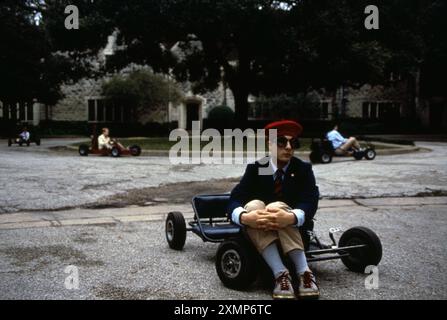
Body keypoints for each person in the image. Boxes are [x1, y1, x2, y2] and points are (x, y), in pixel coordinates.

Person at [228, 120, 320, 300]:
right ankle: (281, 274)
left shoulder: (302, 169)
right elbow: (235, 198)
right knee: (254, 205)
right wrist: (245, 218)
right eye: (281, 142)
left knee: (275, 206)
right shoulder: (257, 169)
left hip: (295, 233)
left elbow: (310, 200)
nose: (288, 147)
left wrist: (292, 217)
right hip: (259, 231)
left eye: (293, 143)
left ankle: (304, 273)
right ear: (269, 144)